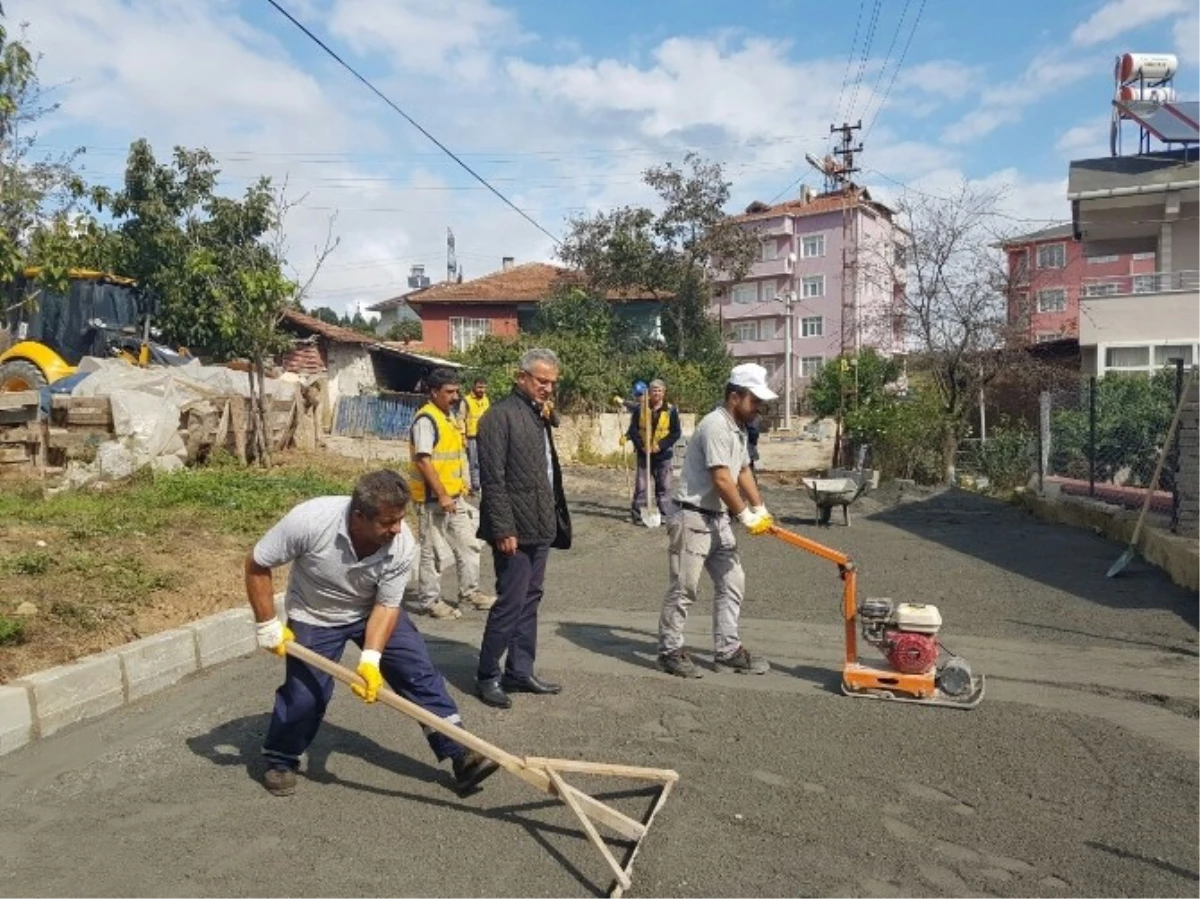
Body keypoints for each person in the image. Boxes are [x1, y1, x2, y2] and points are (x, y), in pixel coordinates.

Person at [246, 469, 499, 797]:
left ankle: (460, 751)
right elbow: (256, 564)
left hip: (371, 610)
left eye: (400, 519)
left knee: (417, 672)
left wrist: (370, 658)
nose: (397, 529)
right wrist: (267, 624)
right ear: (359, 517)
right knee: (306, 694)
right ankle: (281, 759)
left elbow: (387, 605)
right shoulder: (310, 521)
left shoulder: (400, 542)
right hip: (315, 614)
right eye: (387, 522)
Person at [657, 363, 777, 679]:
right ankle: (670, 650)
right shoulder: (715, 426)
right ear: (735, 396)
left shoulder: (738, 430)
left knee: (732, 580)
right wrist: (744, 515)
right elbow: (722, 479)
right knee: (685, 588)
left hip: (718, 519)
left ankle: (727, 650)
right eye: (755, 401)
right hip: (692, 516)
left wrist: (760, 508)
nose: (759, 409)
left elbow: (743, 471)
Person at [473, 348, 572, 709]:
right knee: (510, 602)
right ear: (521, 378)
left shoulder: (537, 414)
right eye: (541, 381)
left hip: (540, 524)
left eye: (551, 383)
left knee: (531, 599)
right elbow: (493, 480)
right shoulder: (498, 417)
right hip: (513, 528)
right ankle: (487, 674)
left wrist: (549, 411)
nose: (548, 388)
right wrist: (502, 528)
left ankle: (520, 670)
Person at [409, 367, 495, 620]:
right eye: (449, 392)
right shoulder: (426, 420)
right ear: (434, 392)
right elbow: (424, 461)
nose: (455, 396)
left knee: (469, 545)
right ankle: (430, 601)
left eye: (457, 391)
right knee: (432, 551)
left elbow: (456, 455)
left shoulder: (450, 416)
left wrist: (463, 484)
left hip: (454, 497)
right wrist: (443, 494)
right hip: (432, 500)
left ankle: (470, 593)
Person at [626, 379, 681, 524]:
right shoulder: (640, 409)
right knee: (641, 486)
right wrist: (641, 446)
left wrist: (660, 445)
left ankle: (664, 514)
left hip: (663, 455)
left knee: (664, 486)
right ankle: (637, 514)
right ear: (649, 392)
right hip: (644, 454)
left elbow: (676, 433)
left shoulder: (671, 410)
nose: (656, 393)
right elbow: (633, 430)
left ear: (664, 392)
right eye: (654, 390)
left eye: (659, 390)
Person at [463, 376, 491, 495]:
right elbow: (461, 419)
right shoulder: (466, 400)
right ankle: (475, 486)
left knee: (485, 460)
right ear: (474, 386)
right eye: (479, 387)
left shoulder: (486, 400)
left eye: (484, 387)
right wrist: (463, 436)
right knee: (474, 463)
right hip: (471, 436)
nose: (481, 390)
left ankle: (484, 484)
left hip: (484, 436)